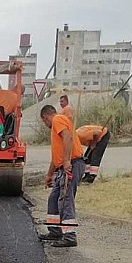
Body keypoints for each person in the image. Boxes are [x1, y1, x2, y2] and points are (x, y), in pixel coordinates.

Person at [40, 104, 85, 248]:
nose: (45, 124)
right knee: (54, 198)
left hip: (72, 164)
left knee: (65, 199)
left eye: (43, 121)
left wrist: (66, 161)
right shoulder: (56, 126)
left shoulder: (58, 120)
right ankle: (55, 231)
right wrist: (49, 175)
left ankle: (70, 236)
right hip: (63, 167)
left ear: (45, 117)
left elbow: (68, 137)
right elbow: (56, 157)